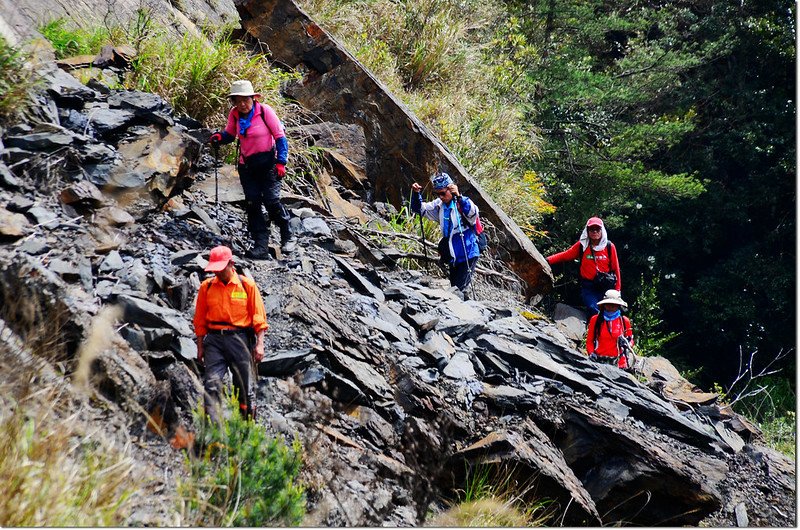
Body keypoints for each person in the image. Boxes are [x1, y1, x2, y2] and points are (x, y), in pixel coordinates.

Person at [209, 80, 296, 259]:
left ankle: (287, 235)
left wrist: (281, 162)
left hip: (268, 164)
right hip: (247, 166)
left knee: (272, 201)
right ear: (233, 101)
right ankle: (260, 245)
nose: (242, 104)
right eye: (238, 100)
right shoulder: (234, 114)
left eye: (245, 100)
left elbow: (280, 137)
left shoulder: (265, 111)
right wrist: (219, 137)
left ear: (253, 98)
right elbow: (230, 135)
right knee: (252, 204)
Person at [193, 245, 268, 422]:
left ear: (231, 264)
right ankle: (213, 432)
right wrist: (200, 345)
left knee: (244, 387)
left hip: (240, 340)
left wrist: (260, 344)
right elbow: (199, 319)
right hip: (214, 341)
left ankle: (246, 428)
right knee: (211, 385)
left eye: (220, 269)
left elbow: (259, 317)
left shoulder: (247, 285)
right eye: (215, 270)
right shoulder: (207, 287)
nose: (217, 273)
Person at [411, 172, 480, 299]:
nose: (441, 197)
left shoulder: (462, 202)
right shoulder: (439, 205)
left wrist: (458, 196)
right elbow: (419, 209)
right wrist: (416, 194)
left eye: (443, 193)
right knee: (455, 287)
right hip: (453, 255)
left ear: (451, 189)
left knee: (459, 289)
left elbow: (472, 214)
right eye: (437, 194)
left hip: (467, 252)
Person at [546, 216, 621, 313]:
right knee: (593, 309)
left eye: (597, 229)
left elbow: (616, 268)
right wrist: (548, 260)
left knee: (608, 313)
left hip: (605, 287)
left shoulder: (609, 246)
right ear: (587, 231)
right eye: (591, 229)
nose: (594, 232)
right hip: (588, 287)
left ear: (602, 230)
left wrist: (618, 290)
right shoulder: (582, 245)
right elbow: (566, 255)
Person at [586, 289, 634, 370]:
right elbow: (589, 341)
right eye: (608, 304)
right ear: (604, 305)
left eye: (614, 304)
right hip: (598, 362)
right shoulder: (596, 320)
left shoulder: (624, 321)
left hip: (619, 364)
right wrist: (591, 353)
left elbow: (631, 340)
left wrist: (626, 344)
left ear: (618, 305)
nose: (610, 307)